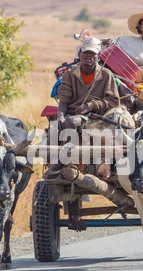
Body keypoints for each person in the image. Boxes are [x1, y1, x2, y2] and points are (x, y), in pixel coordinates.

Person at [44, 37, 120, 179]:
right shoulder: (69, 74)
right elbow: (64, 99)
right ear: (79, 54)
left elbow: (113, 101)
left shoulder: (106, 75)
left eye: (92, 54)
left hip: (95, 117)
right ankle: (50, 162)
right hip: (73, 113)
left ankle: (61, 163)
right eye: (86, 53)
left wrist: (90, 105)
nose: (88, 57)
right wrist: (60, 115)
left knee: (71, 123)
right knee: (55, 128)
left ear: (98, 57)